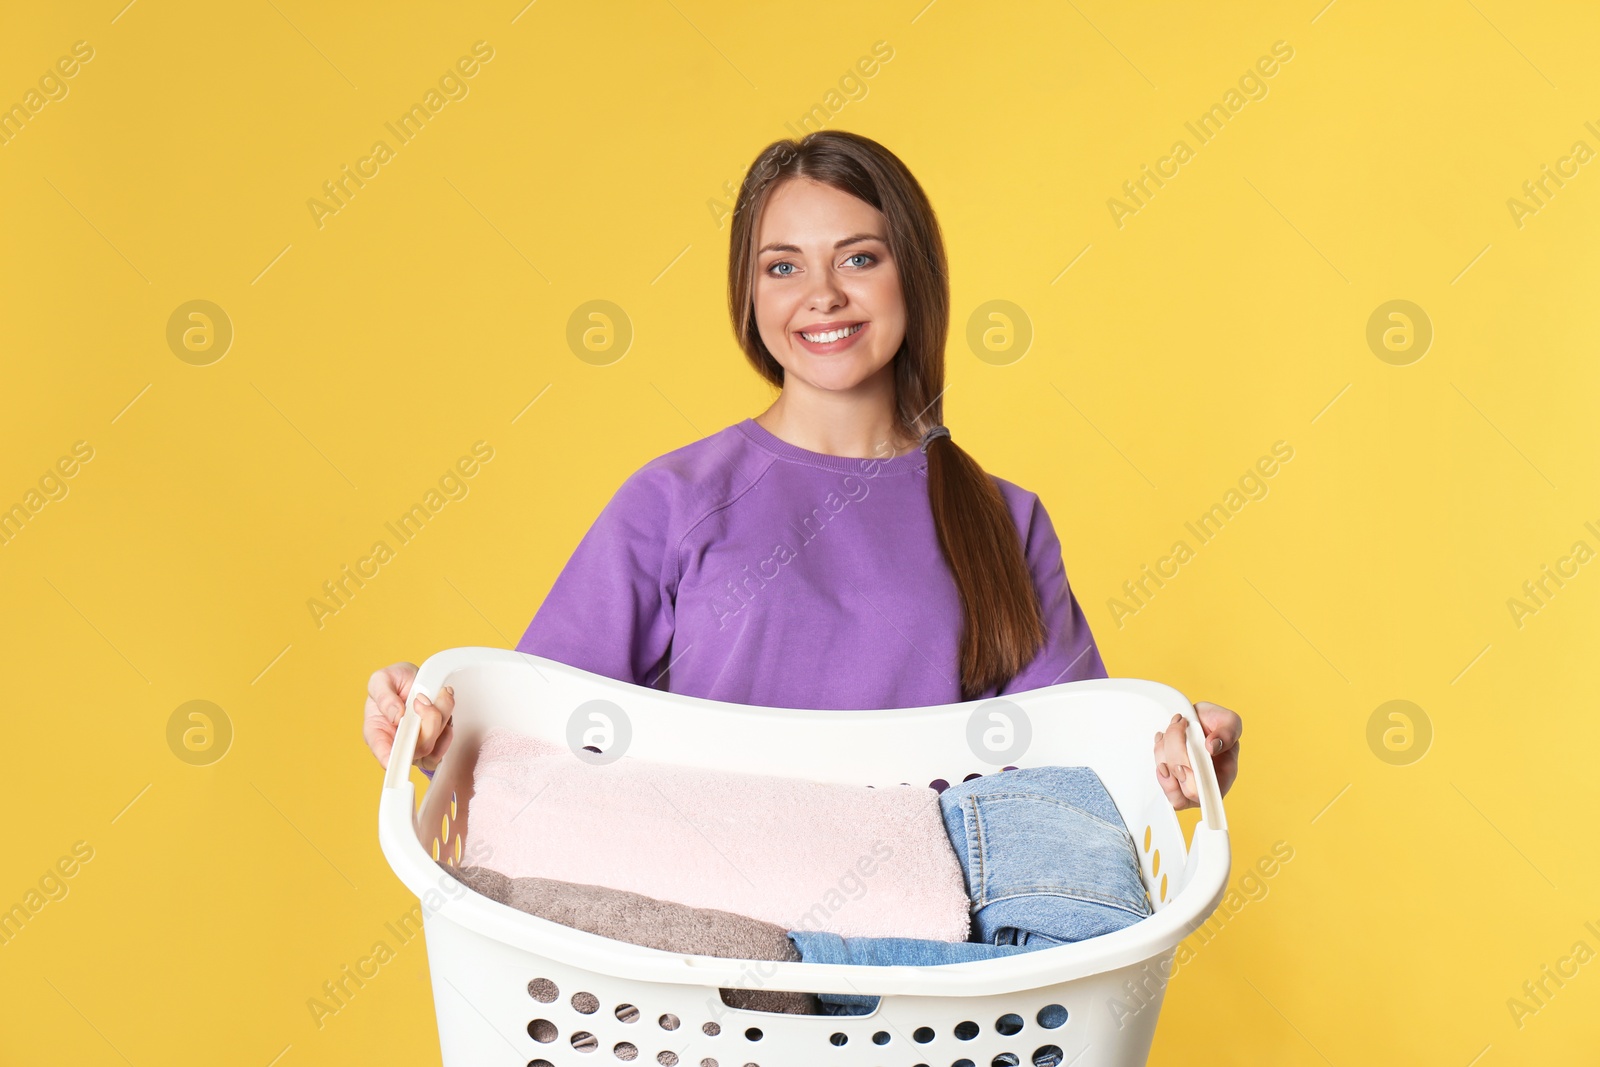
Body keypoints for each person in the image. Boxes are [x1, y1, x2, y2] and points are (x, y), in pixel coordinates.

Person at [363, 130, 1240, 812]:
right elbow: (533, 729)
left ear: (915, 277)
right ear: (750, 297)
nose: (821, 295)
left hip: (928, 995)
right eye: (783, 266)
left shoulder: (1003, 520)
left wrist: (1178, 755)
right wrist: (431, 722)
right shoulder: (674, 500)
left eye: (859, 257)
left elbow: (1080, 771)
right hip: (701, 972)